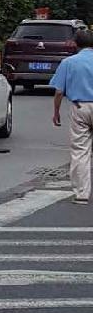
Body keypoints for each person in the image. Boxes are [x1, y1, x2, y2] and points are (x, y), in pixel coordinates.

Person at [50, 26, 93, 202]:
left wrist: (56, 112)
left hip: (80, 107)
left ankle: (82, 194)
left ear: (75, 44)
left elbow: (59, 91)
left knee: (81, 151)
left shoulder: (69, 63)